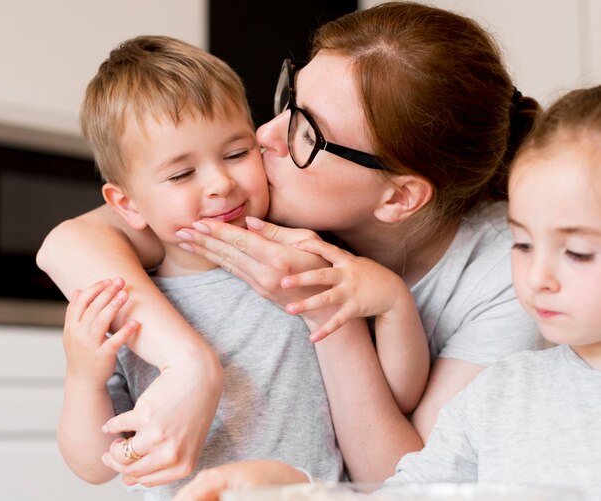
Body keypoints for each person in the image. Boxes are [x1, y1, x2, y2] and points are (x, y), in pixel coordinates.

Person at [37, 1, 542, 487]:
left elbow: (406, 467)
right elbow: (68, 240)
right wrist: (171, 367)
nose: (265, 136)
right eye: (288, 101)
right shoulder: (221, 228)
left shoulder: (503, 277)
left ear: (400, 196)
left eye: (307, 133)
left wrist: (369, 303)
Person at [177, 84, 601, 501]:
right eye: (523, 244)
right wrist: (297, 491)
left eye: (578, 253)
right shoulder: (501, 391)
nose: (537, 277)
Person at [57, 35, 401, 499]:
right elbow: (93, 466)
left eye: (237, 154)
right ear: (127, 204)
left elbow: (396, 395)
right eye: (181, 174)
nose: (220, 183)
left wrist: (392, 301)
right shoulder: (130, 307)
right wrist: (84, 377)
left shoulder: (307, 256)